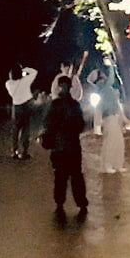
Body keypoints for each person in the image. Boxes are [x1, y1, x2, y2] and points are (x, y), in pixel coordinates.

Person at [40, 74, 89, 217]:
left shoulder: (55, 105)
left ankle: (60, 203)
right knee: (76, 176)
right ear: (70, 88)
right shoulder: (75, 105)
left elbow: (47, 124)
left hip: (58, 147)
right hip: (73, 146)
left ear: (59, 87)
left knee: (60, 177)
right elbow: (81, 126)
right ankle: (81, 203)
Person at [89, 67, 126, 174]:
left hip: (113, 118)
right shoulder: (103, 88)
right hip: (109, 118)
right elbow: (111, 78)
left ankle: (117, 165)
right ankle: (108, 165)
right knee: (110, 143)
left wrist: (122, 118)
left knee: (118, 142)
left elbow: (116, 105)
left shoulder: (107, 90)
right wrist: (111, 66)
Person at [5, 63, 38, 159]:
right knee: (25, 130)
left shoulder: (8, 84)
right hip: (27, 106)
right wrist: (25, 69)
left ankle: (14, 151)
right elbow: (34, 72)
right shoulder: (26, 81)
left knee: (15, 130)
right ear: (20, 72)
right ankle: (24, 152)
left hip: (16, 107)